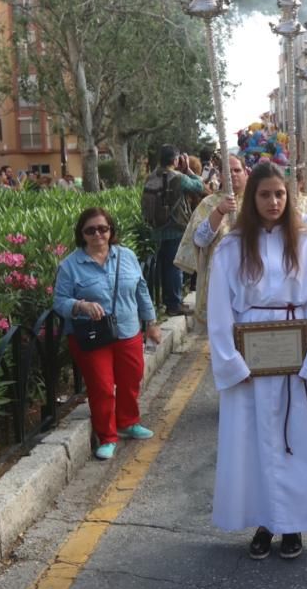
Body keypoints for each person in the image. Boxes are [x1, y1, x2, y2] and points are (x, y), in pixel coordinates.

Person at [206, 162, 307, 560]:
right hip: (252, 356)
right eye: (265, 194)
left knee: (296, 439)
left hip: (296, 351)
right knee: (255, 442)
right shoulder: (231, 246)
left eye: (280, 194)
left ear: (289, 197)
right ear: (253, 198)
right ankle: (265, 521)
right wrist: (231, 362)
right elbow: (219, 311)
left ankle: (295, 522)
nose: (273, 201)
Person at [54, 207, 162, 461]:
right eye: (90, 230)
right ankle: (107, 436)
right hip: (93, 335)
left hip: (127, 329)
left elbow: (141, 290)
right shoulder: (70, 265)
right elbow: (59, 301)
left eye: (103, 229)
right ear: (82, 234)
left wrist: (152, 322)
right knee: (102, 386)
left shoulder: (126, 256)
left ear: (111, 231)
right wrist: (80, 305)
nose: (97, 234)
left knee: (130, 378)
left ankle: (128, 422)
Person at [174, 156, 248, 325]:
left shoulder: (257, 201)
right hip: (219, 279)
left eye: (237, 170)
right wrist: (220, 211)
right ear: (220, 176)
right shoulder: (209, 203)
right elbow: (200, 240)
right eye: (228, 172)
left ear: (246, 173)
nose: (233, 175)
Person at [148, 145, 204, 316]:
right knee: (175, 267)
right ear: (175, 160)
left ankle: (167, 302)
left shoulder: (151, 177)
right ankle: (174, 304)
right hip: (175, 227)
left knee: (163, 266)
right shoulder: (178, 177)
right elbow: (199, 187)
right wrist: (188, 169)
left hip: (157, 227)